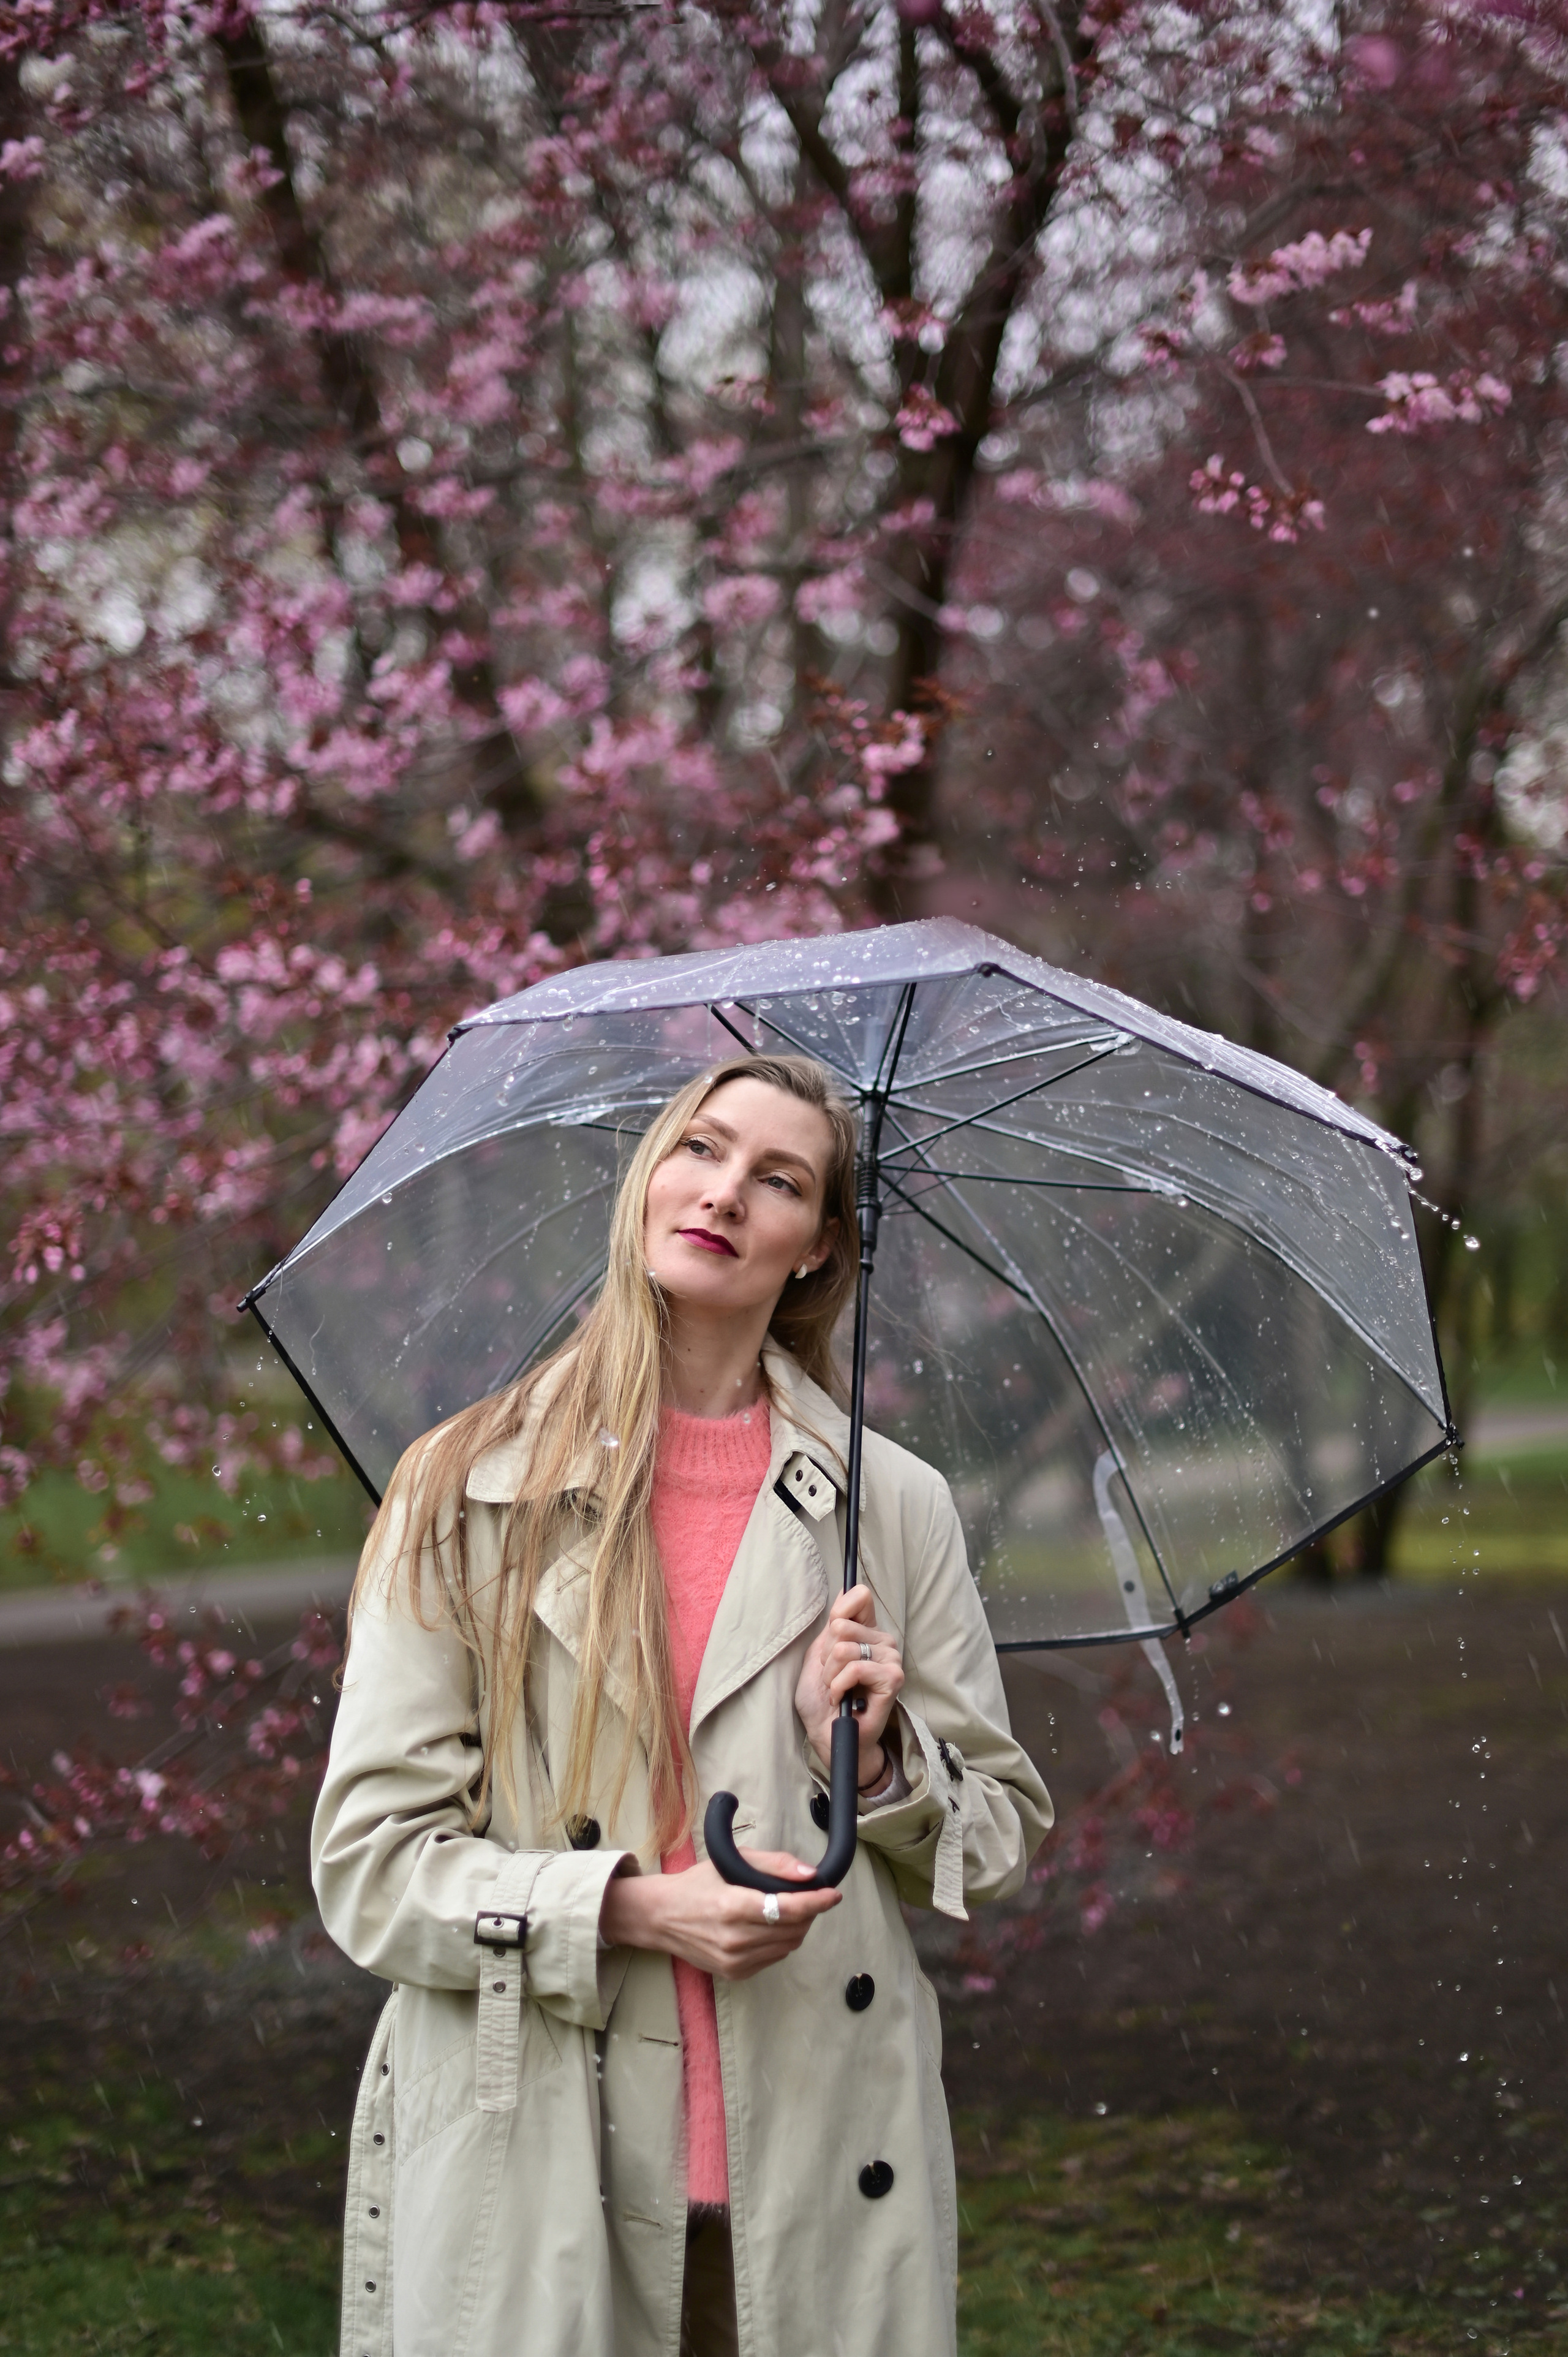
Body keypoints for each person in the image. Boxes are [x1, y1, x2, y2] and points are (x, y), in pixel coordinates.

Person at [312, 1051, 1052, 2357]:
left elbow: (992, 1834)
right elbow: (371, 1871)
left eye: (776, 1179)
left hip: (814, 2163)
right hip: (546, 2157)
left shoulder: (892, 1505)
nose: (720, 1192)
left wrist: (880, 1763)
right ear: (647, 1173)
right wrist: (631, 1907)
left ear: (819, 1247)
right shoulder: (464, 1488)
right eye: (699, 1148)